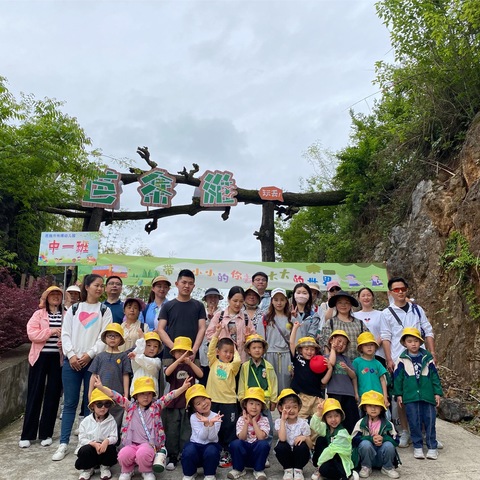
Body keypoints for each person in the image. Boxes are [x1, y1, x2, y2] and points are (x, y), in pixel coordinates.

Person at [52, 274, 112, 462]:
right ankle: (63, 443)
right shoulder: (74, 309)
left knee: (90, 403)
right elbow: (66, 333)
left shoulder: (104, 310)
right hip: (72, 363)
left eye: (102, 286)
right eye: (96, 285)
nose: (100, 288)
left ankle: (86, 443)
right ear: (86, 287)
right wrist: (71, 355)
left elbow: (104, 337)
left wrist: (89, 355)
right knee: (69, 403)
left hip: (92, 363)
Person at [93, 374, 192, 480]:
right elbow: (116, 396)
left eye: (149, 394)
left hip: (148, 444)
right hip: (131, 443)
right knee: (123, 454)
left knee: (143, 453)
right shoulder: (130, 406)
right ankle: (127, 471)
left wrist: (183, 388)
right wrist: (101, 387)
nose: (146, 397)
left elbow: (170, 396)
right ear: (136, 395)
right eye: (142, 394)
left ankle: (146, 471)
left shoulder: (156, 406)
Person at [380, 276, 436, 448]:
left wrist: (432, 353)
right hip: (400, 360)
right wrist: (389, 358)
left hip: (422, 358)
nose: (400, 292)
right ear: (390, 292)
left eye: (403, 289)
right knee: (403, 397)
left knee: (426, 395)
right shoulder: (386, 313)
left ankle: (428, 433)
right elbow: (386, 337)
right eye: (396, 290)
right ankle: (405, 431)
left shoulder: (417, 309)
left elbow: (428, 330)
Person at [19, 286, 64, 449]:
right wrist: (51, 331)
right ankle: (27, 434)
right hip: (39, 358)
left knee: (52, 396)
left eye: (58, 294)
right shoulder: (38, 314)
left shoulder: (65, 315)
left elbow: (69, 335)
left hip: (57, 359)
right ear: (46, 297)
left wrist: (63, 343)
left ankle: (46, 433)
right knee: (35, 393)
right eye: (52, 294)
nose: (55, 297)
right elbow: (32, 334)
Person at [393, 327, 443, 460]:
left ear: (420, 342)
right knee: (414, 421)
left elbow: (434, 376)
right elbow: (398, 378)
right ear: (404, 343)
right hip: (410, 396)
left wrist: (437, 393)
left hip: (427, 395)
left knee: (430, 421)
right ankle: (418, 446)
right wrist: (399, 394)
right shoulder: (402, 359)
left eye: (416, 341)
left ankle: (432, 447)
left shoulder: (427, 357)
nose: (413, 344)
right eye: (409, 341)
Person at [163, 336, 203, 471]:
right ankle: (172, 456)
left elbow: (201, 375)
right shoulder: (172, 366)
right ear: (173, 353)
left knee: (186, 431)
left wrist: (190, 362)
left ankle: (185, 454)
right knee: (173, 431)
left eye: (185, 352)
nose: (181, 354)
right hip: (173, 404)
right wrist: (178, 361)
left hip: (188, 405)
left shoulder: (191, 366)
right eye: (178, 352)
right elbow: (167, 373)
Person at [206, 324, 242, 468]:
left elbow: (238, 360)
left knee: (228, 428)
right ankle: (215, 451)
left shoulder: (232, 367)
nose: (228, 354)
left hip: (229, 402)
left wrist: (235, 346)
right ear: (218, 352)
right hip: (213, 401)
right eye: (225, 351)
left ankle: (227, 452)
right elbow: (210, 349)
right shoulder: (213, 362)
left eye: (231, 352)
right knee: (215, 428)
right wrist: (218, 332)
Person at [88, 323, 131, 431]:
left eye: (116, 336)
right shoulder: (99, 356)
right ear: (105, 338)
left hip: (117, 395)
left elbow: (125, 375)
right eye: (109, 335)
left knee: (116, 421)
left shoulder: (123, 356)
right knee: (99, 421)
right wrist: (90, 393)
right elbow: (94, 375)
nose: (112, 338)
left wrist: (126, 394)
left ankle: (113, 445)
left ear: (120, 339)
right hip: (99, 395)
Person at [157, 269, 206, 364]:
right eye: (184, 282)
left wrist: (194, 350)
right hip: (170, 355)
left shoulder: (199, 306)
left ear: (194, 286)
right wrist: (175, 349)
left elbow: (202, 328)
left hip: (192, 356)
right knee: (169, 378)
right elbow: (160, 329)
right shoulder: (167, 306)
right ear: (177, 283)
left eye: (190, 283)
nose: (187, 286)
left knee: (192, 379)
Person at [238, 333, 278, 446]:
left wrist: (274, 400)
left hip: (264, 400)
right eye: (254, 348)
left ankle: (265, 448)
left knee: (268, 425)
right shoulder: (245, 366)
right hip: (250, 400)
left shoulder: (268, 366)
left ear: (263, 350)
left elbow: (274, 382)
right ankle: (250, 446)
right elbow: (242, 382)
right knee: (249, 423)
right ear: (249, 350)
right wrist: (241, 398)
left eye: (260, 348)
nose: (257, 350)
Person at [351, 390, 400, 479]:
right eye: (370, 406)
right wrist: (370, 439)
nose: (373, 409)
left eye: (376, 406)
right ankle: (366, 467)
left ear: (381, 408)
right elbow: (353, 440)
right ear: (365, 408)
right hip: (366, 457)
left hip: (382, 457)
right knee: (365, 444)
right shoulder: (361, 423)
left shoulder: (388, 424)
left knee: (389, 445)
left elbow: (396, 440)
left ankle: (387, 467)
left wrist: (384, 438)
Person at [289, 325, 332, 419]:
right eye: (306, 349)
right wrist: (295, 328)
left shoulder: (319, 362)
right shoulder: (297, 359)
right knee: (300, 419)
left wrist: (329, 369)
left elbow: (323, 381)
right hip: (302, 396)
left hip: (317, 397)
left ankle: (316, 435)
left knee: (319, 420)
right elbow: (291, 343)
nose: (309, 352)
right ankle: (301, 434)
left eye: (312, 349)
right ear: (300, 350)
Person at [310, 398, 359, 480]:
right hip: (330, 458)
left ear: (341, 416)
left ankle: (349, 473)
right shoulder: (326, 428)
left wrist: (320, 463)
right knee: (320, 440)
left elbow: (331, 450)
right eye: (329, 416)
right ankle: (325, 472)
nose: (333, 420)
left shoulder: (342, 432)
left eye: (336, 416)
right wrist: (319, 412)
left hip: (340, 460)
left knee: (328, 465)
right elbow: (314, 426)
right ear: (325, 418)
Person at [181, 384, 223, 480]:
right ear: (194, 408)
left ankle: (209, 474)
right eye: (198, 403)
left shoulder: (216, 416)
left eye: (204, 399)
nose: (203, 404)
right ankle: (189, 473)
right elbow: (202, 437)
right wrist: (205, 424)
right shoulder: (193, 417)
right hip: (196, 444)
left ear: (209, 398)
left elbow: (212, 438)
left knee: (212, 451)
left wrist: (211, 424)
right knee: (188, 451)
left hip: (211, 445)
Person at [75, 388, 118, 480]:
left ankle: (105, 467)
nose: (103, 407)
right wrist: (93, 443)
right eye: (99, 404)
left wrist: (107, 441)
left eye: (107, 404)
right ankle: (87, 469)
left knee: (112, 449)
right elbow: (82, 438)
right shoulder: (86, 421)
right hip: (91, 448)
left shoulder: (111, 420)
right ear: (92, 406)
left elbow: (114, 437)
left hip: (104, 448)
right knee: (84, 450)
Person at [228, 387, 270, 480]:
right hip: (244, 454)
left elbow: (261, 438)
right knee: (235, 443)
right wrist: (246, 423)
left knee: (263, 444)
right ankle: (238, 469)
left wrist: (254, 422)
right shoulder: (241, 419)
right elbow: (241, 438)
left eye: (258, 404)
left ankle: (258, 470)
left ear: (262, 407)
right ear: (245, 405)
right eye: (251, 403)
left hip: (256, 454)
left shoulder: (264, 420)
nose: (254, 407)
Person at [206, 286, 255, 363]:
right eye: (235, 301)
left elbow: (253, 337)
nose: (238, 304)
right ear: (228, 299)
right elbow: (209, 335)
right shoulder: (219, 316)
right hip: (223, 360)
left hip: (241, 359)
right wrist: (220, 338)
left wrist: (248, 338)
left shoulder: (246, 317)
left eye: (241, 301)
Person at [256, 288, 292, 391]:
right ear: (272, 301)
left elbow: (294, 340)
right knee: (269, 384)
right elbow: (260, 339)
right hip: (269, 355)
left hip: (285, 355)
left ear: (286, 301)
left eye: (282, 300)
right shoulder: (265, 319)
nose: (279, 303)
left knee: (285, 385)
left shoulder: (291, 318)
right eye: (276, 300)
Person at [274, 388, 312, 480]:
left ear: (299, 408)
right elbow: (282, 439)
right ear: (280, 408)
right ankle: (288, 469)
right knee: (280, 446)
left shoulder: (303, 423)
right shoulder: (279, 422)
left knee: (302, 445)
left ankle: (298, 470)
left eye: (295, 407)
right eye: (287, 407)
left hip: (300, 455)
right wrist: (283, 420)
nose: (291, 410)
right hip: (286, 454)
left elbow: (310, 446)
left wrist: (305, 438)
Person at [325, 330, 359, 433]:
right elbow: (331, 362)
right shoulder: (325, 358)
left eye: (344, 344)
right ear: (331, 340)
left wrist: (356, 393)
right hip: (334, 393)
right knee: (335, 419)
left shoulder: (346, 359)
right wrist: (332, 349)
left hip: (349, 393)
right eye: (339, 341)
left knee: (351, 419)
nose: (341, 345)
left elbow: (353, 376)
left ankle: (352, 441)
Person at [318, 291, 368, 360]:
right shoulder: (330, 322)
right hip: (336, 364)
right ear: (336, 305)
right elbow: (324, 342)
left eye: (347, 303)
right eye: (340, 302)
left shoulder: (360, 323)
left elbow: (367, 341)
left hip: (358, 363)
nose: (343, 305)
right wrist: (329, 361)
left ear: (351, 305)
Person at [353, 332, 389, 403]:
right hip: (363, 395)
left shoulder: (378, 363)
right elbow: (354, 378)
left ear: (375, 347)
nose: (369, 347)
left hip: (378, 396)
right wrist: (356, 393)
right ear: (361, 348)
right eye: (366, 345)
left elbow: (382, 380)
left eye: (371, 345)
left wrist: (385, 397)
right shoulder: (357, 362)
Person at [353, 288, 385, 364]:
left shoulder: (381, 314)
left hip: (378, 354)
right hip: (360, 355)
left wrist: (374, 346)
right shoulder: (354, 315)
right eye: (363, 296)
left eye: (368, 295)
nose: (366, 298)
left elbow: (384, 332)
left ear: (373, 297)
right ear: (359, 298)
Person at [200, 287, 224, 386]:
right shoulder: (201, 312)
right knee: (204, 375)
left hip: (218, 348)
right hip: (203, 347)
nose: (212, 300)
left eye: (215, 297)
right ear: (206, 299)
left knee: (219, 375)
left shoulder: (222, 313)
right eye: (210, 297)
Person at [128, 331, 163, 396]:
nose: (152, 348)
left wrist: (136, 356)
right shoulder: (136, 360)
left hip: (152, 394)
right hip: (136, 394)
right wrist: (141, 339)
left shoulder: (157, 361)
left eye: (155, 346)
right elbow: (137, 352)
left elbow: (149, 363)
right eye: (148, 345)